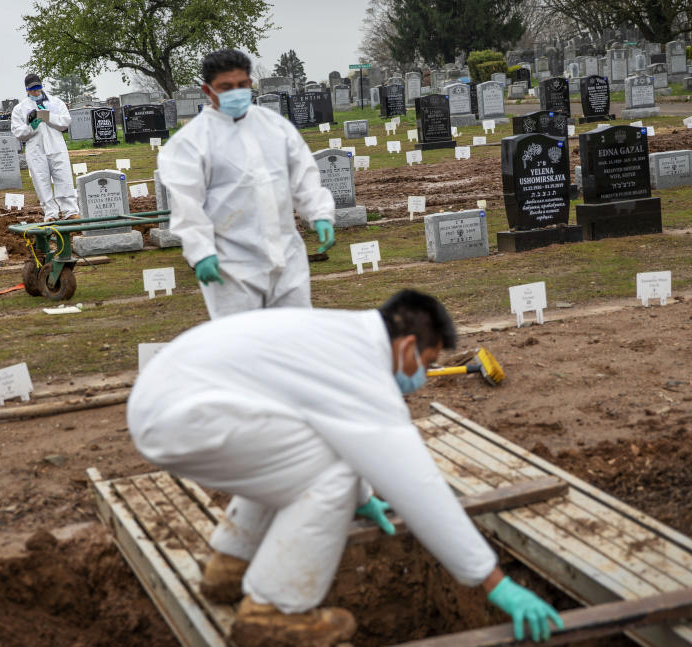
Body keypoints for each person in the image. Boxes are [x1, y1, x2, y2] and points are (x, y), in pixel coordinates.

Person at [127, 290, 564, 646]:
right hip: (185, 419)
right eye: (426, 364)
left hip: (165, 404)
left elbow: (311, 442)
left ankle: (230, 567)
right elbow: (417, 484)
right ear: (408, 346)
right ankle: (273, 612)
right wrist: (492, 581)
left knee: (311, 457)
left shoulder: (340, 335)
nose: (423, 376)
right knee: (328, 474)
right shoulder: (360, 369)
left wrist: (362, 499)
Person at [156, 49, 336, 319]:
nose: (235, 93)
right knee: (243, 345)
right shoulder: (190, 142)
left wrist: (319, 213)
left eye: (241, 85)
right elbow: (187, 204)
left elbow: (303, 174)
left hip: (287, 255)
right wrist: (201, 251)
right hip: (231, 264)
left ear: (250, 84)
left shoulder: (275, 126)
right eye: (225, 87)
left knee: (296, 339)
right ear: (207, 90)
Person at [11, 73, 80, 222]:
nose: (36, 92)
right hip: (36, 150)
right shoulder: (19, 109)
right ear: (27, 89)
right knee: (41, 181)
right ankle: (51, 213)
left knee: (64, 178)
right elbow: (18, 132)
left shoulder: (56, 102)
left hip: (56, 146)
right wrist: (31, 127)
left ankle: (70, 211)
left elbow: (65, 122)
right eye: (32, 89)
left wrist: (48, 117)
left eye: (38, 88)